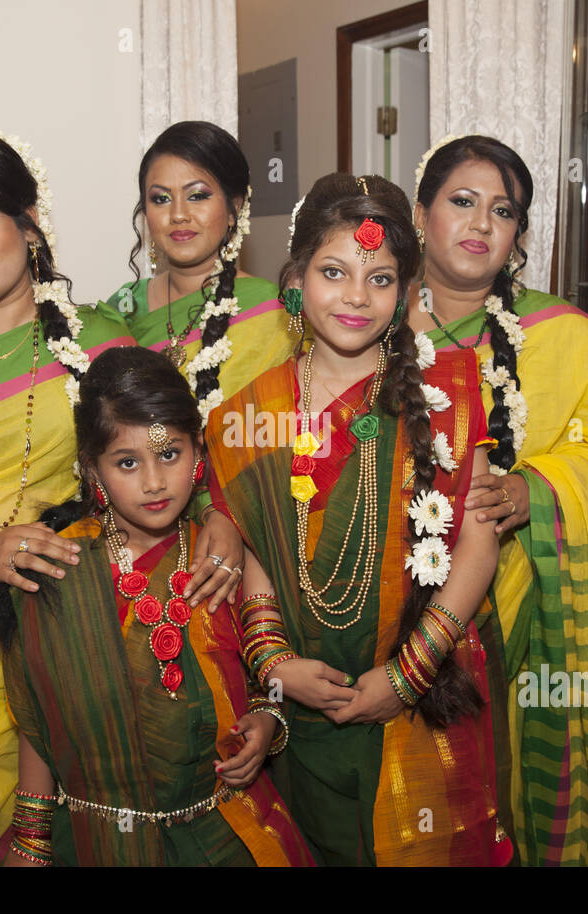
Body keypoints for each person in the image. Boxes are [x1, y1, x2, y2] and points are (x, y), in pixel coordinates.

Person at [0, 130, 240, 866]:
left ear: (27, 223)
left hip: (84, 637)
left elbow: (170, 450)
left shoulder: (102, 338)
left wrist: (217, 516)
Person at [205, 172, 511, 866]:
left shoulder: (449, 391)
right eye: (334, 272)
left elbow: (477, 540)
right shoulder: (250, 414)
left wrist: (406, 676)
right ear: (295, 278)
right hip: (303, 711)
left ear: (405, 294)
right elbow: (260, 553)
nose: (354, 297)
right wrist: (275, 663)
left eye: (379, 279)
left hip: (425, 695)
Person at [409, 133, 588, 865]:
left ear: (518, 235)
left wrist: (540, 488)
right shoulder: (363, 321)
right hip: (380, 613)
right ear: (419, 214)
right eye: (461, 202)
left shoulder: (568, 334)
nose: (480, 225)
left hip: (525, 621)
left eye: (502, 211)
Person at [0, 346, 314, 866]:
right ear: (92, 470)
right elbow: (38, 718)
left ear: (198, 454)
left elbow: (265, 673)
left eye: (170, 454)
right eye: (126, 462)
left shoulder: (223, 557)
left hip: (221, 828)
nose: (155, 482)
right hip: (98, 839)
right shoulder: (58, 568)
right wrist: (31, 837)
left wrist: (267, 720)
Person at [106, 121, 298, 421]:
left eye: (197, 196)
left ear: (235, 207)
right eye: (161, 199)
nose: (178, 214)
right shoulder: (123, 308)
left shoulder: (275, 312)